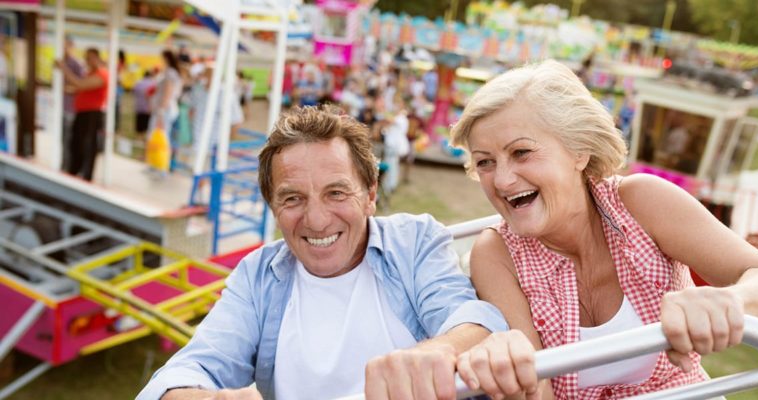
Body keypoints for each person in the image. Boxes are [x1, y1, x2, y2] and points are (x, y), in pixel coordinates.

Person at [448, 60, 758, 399]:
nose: (504, 180)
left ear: (579, 151)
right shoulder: (495, 254)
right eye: (485, 162)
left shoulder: (640, 201)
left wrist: (728, 303)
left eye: (522, 152)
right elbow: (538, 391)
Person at [137, 106, 507, 400]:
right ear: (273, 207)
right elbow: (194, 365)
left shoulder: (413, 242)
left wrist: (439, 350)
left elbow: (472, 320)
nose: (316, 220)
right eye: (293, 199)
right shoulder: (257, 276)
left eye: (336, 193)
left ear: (371, 195)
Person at [56, 47, 109, 182]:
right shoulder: (90, 74)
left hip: (92, 114)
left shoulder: (102, 74)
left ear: (97, 58)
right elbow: (78, 88)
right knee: (75, 143)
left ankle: (86, 174)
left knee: (87, 144)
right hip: (82, 113)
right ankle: (74, 170)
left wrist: (64, 69)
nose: (87, 61)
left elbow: (81, 84)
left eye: (89, 57)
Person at [60, 35, 85, 171]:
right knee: (62, 139)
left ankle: (68, 168)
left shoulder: (75, 64)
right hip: (60, 107)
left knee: (68, 140)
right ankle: (64, 164)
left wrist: (66, 89)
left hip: (70, 108)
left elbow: (81, 86)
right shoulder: (59, 62)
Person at [132, 70, 156, 135]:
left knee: (139, 124)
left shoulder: (138, 83)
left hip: (139, 106)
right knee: (147, 125)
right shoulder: (152, 83)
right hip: (148, 107)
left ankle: (139, 136)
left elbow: (134, 92)